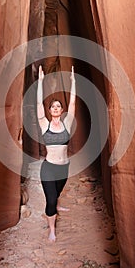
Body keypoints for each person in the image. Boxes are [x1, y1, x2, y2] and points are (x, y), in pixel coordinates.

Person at [37, 65, 76, 242]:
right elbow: (39, 104)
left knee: (57, 193)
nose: (55, 108)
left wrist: (73, 82)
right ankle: (52, 229)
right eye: (53, 106)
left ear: (61, 110)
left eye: (58, 106)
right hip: (49, 168)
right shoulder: (45, 124)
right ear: (50, 110)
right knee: (50, 199)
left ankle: (57, 204)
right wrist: (40, 82)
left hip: (64, 168)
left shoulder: (67, 123)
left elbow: (73, 102)